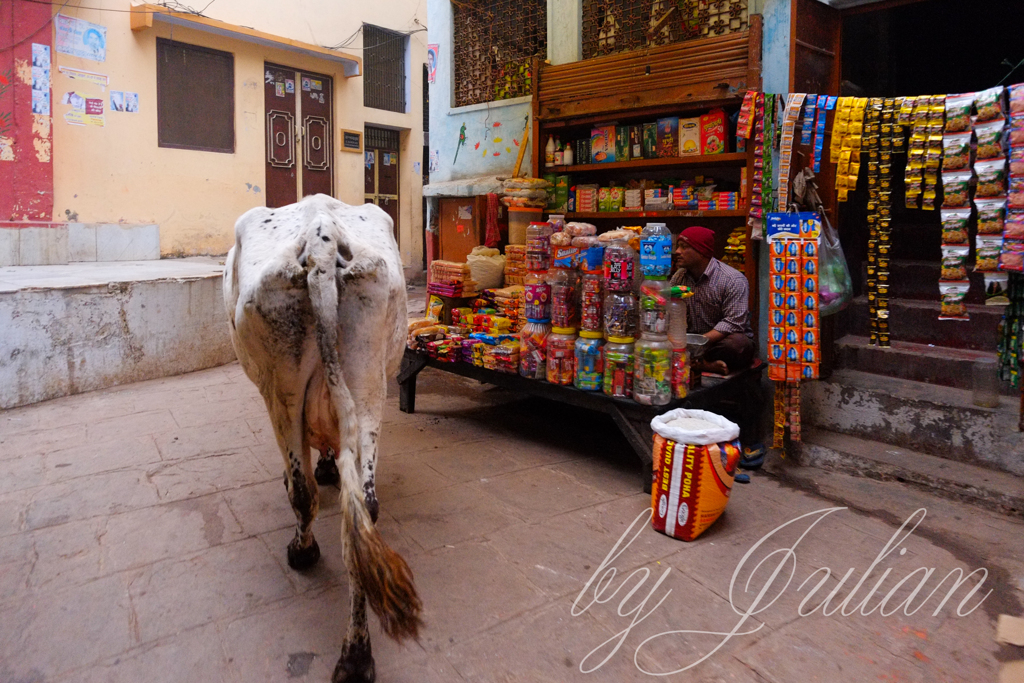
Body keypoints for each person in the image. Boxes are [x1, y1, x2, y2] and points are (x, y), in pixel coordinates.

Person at [669, 225, 755, 375]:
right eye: (678, 247)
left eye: (684, 247)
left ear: (701, 251)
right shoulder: (679, 277)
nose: (677, 252)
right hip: (691, 342)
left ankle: (699, 362)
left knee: (738, 344)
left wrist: (699, 342)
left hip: (717, 344)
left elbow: (734, 322)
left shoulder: (732, 279)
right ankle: (705, 365)